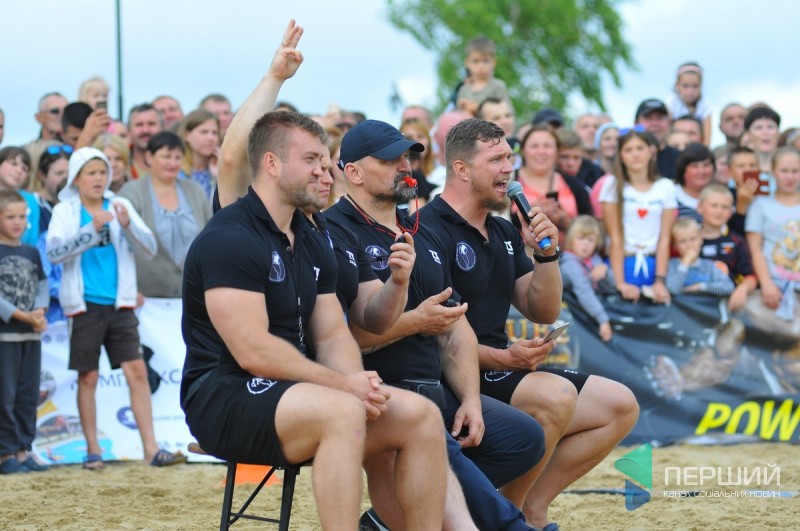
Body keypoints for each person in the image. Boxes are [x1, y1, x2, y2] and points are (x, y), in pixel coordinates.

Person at [193, 21, 448, 529]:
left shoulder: (312, 235)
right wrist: (275, 77)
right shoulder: (232, 232)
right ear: (271, 165)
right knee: (343, 410)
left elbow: (333, 334)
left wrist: (356, 380)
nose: (325, 172)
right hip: (227, 395)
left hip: (301, 391)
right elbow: (254, 353)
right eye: (311, 160)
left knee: (420, 415)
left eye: (327, 161)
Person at [326, 119, 544, 531]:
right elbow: (343, 336)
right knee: (436, 440)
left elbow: (455, 325)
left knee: (524, 438)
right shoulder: (335, 231)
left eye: (406, 157)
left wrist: (471, 400)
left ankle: (388, 519)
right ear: (352, 172)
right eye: (389, 160)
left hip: (432, 387)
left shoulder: (415, 229)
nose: (404, 166)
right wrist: (415, 322)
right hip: (380, 390)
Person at [421, 118, 638, 529]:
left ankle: (528, 511)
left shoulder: (503, 229)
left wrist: (546, 254)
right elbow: (438, 336)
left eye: (510, 157)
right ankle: (508, 518)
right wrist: (505, 358)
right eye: (497, 160)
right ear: (461, 169)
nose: (509, 168)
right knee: (554, 396)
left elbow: (543, 310)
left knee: (619, 405)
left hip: (498, 368)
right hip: (452, 376)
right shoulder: (428, 229)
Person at [46, 147, 185, 469]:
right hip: (84, 305)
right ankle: (93, 450)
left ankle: (151, 449)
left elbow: (150, 248)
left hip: (121, 304)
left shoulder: (120, 204)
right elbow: (54, 254)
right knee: (88, 377)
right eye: (90, 173)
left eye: (102, 172)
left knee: (137, 371)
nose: (98, 179)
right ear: (76, 178)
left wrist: (128, 225)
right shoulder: (65, 211)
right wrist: (89, 231)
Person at [119, 132, 211, 298]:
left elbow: (210, 234)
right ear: (149, 157)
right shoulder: (132, 192)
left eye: (177, 157)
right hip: (146, 297)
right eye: (166, 157)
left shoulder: (195, 190)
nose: (172, 163)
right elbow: (123, 243)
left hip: (194, 292)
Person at [0, 190, 49, 474]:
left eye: (22, 217)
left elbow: (41, 285)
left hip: (31, 335)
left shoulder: (31, 251)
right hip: (5, 337)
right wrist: (24, 316)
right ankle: (5, 453)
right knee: (4, 396)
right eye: (10, 217)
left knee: (27, 395)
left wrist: (39, 312)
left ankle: (22, 450)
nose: (17, 222)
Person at [599, 129, 675, 303]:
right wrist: (620, 283)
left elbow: (664, 238)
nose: (635, 154)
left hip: (654, 263)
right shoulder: (612, 185)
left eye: (640, 148)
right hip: (624, 262)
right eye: (628, 150)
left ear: (651, 151)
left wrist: (660, 280)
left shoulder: (666, 187)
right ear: (621, 155)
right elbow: (615, 236)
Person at [745, 147, 800, 324]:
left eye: (795, 171)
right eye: (784, 171)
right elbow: (755, 248)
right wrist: (766, 283)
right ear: (773, 172)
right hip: (775, 288)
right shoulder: (760, 205)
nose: (790, 177)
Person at [513, 124, 593, 242]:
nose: (541, 151)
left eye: (547, 146)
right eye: (534, 146)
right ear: (523, 150)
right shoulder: (509, 180)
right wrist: (527, 213)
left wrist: (566, 222)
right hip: (519, 251)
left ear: (557, 151)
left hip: (565, 252)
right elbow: (496, 222)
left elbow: (591, 228)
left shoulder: (574, 184)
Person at [697, 183, 757, 312]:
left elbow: (750, 277)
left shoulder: (737, 241)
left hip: (728, 306)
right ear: (700, 207)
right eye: (714, 206)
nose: (719, 211)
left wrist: (743, 289)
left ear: (731, 212)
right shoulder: (688, 238)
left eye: (725, 207)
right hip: (691, 305)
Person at [561, 215, 615, 341]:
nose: (586, 244)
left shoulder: (594, 259)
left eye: (591, 240)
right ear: (570, 240)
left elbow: (611, 286)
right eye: (581, 238)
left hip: (588, 311)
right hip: (573, 317)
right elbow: (584, 292)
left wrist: (605, 271)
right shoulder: (569, 264)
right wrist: (603, 320)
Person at [666, 217, 735, 296]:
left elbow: (729, 287)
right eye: (683, 241)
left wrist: (700, 287)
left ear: (701, 239)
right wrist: (685, 262)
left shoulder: (709, 266)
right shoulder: (671, 265)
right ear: (675, 246)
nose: (689, 245)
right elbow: (673, 289)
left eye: (693, 239)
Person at [455, 36, 510, 116]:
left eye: (485, 61)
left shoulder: (498, 87)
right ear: (467, 63)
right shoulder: (464, 89)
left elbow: (507, 115)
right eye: (475, 61)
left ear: (494, 62)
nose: (481, 66)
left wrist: (478, 109)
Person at [0, 146, 40, 247]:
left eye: (24, 169)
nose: (19, 171)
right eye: (13, 164)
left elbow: (33, 241)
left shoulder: (31, 200)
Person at [178, 109, 220, 199]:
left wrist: (220, 176)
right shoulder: (175, 170)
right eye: (204, 132)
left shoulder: (220, 168)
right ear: (186, 135)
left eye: (214, 133)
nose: (211, 138)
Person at [635, 98, 680, 179]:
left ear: (669, 123)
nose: (655, 123)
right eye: (648, 118)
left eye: (660, 118)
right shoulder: (624, 159)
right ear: (636, 124)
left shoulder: (681, 159)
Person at [668, 62, 712, 145]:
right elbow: (667, 129)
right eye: (685, 86)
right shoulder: (671, 102)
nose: (690, 91)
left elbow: (707, 137)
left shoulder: (705, 103)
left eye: (695, 86)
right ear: (677, 86)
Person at [674, 143, 715, 222]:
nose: (701, 171)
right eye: (695, 166)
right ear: (683, 169)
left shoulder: (721, 195)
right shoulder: (671, 196)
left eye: (706, 165)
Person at [726, 146, 760, 235]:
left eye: (752, 165)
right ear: (729, 172)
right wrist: (741, 204)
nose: (747, 170)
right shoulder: (725, 197)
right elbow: (733, 232)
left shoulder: (769, 196)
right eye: (741, 166)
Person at [127, 104, 162, 180]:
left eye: (151, 124)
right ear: (129, 130)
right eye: (139, 124)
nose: (145, 130)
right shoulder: (119, 162)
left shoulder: (174, 162)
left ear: (162, 128)